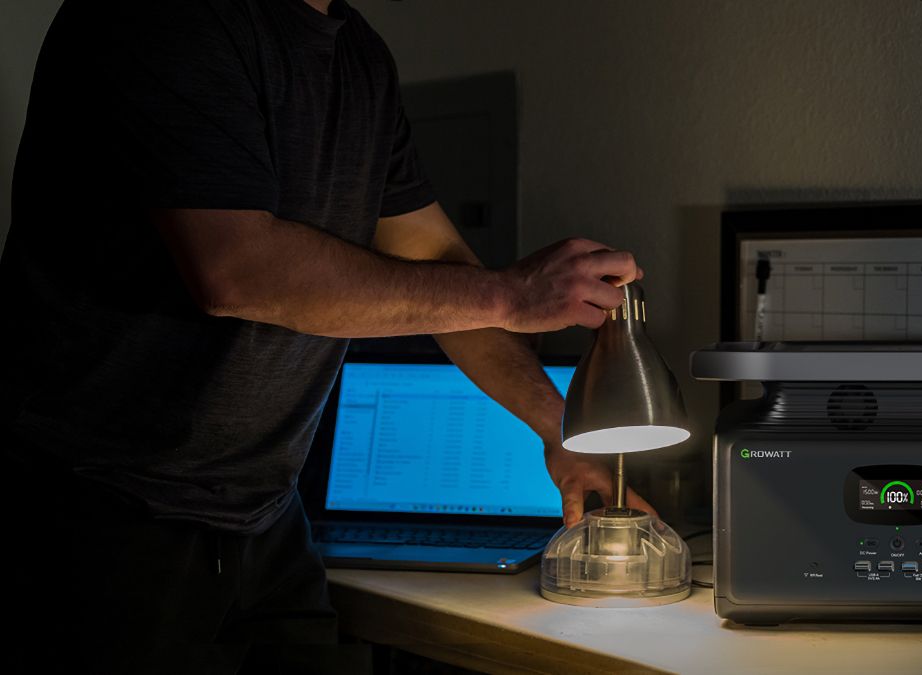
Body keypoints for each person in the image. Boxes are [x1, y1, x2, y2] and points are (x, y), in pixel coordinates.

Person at [0, 0, 654, 672]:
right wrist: (513, 294)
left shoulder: (356, 55)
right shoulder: (163, 19)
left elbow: (434, 264)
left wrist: (559, 429)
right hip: (93, 515)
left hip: (262, 519)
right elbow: (236, 269)